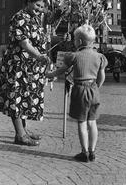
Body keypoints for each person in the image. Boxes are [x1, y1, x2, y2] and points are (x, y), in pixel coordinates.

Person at [46, 24, 108, 162]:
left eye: (74, 39)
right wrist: (97, 86)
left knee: (81, 122)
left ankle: (84, 152)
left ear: (79, 41)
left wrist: (50, 75)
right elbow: (101, 76)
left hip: (80, 89)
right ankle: (92, 151)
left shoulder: (74, 56)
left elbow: (61, 70)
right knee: (92, 122)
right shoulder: (100, 57)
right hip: (93, 89)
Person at [0, 0, 50, 146]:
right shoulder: (19, 17)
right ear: (28, 2)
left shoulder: (35, 19)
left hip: (30, 66)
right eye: (37, 5)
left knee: (25, 98)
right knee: (16, 98)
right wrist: (39, 56)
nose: (39, 9)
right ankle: (20, 135)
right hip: (18, 65)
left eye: (41, 6)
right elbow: (24, 43)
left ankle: (23, 132)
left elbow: (40, 40)